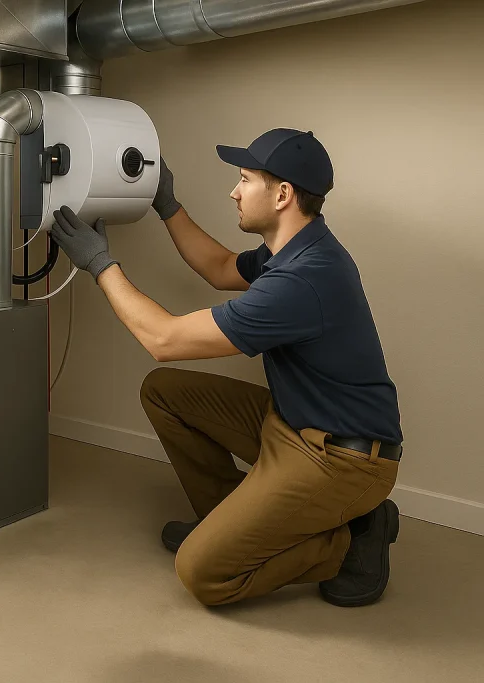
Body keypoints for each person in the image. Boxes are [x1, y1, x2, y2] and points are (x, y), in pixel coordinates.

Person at [49, 128, 402, 608]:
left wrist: (99, 263)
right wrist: (166, 204)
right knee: (165, 392)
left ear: (282, 195)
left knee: (202, 572)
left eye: (244, 179)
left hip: (341, 460)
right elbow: (218, 267)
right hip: (291, 423)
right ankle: (230, 521)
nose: (234, 192)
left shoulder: (302, 279)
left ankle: (353, 535)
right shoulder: (295, 247)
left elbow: (163, 340)